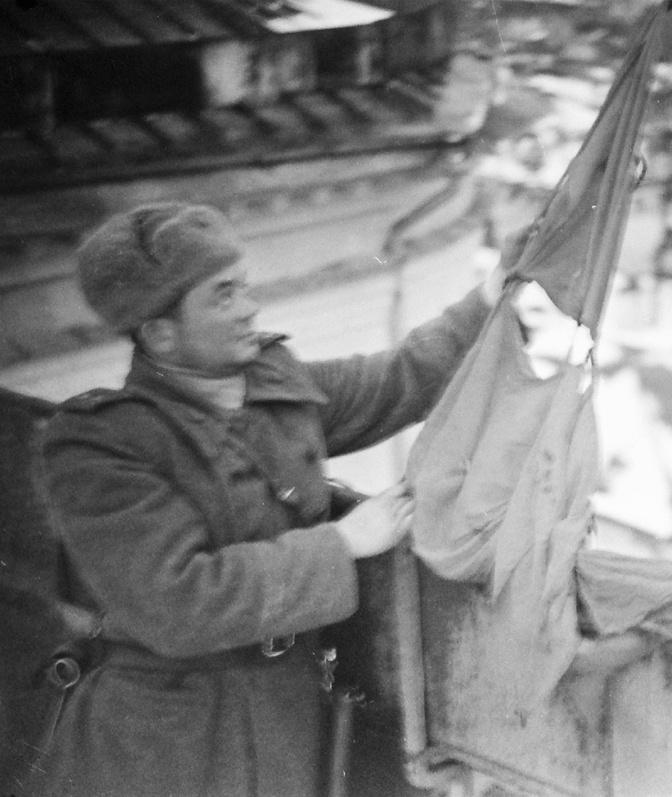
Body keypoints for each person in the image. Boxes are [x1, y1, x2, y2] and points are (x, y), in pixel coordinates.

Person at [29, 203, 506, 797]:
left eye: (244, 286)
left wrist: (490, 297)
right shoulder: (99, 444)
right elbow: (178, 604)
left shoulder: (270, 387)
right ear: (160, 333)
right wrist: (342, 543)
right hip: (166, 745)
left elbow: (400, 377)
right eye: (223, 295)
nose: (250, 306)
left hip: (286, 721)